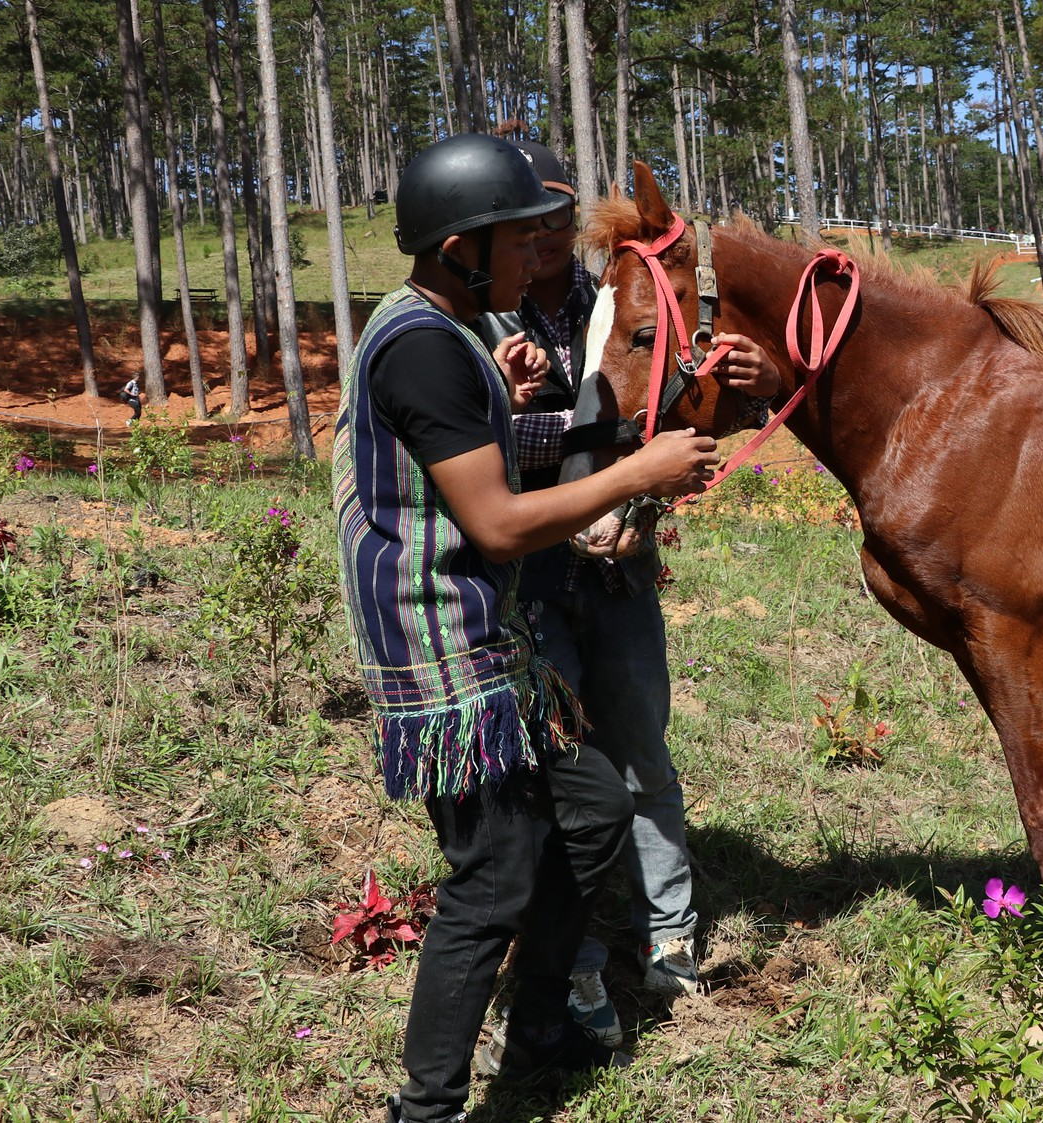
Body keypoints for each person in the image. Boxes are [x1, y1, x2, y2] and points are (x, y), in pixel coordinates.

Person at [331, 132, 721, 1123]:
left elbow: (469, 452)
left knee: (588, 808)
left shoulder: (443, 331)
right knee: (490, 878)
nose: (531, 258)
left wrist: (505, 400)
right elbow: (497, 524)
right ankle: (426, 1109)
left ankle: (540, 1019)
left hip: (484, 640)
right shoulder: (422, 346)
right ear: (461, 245)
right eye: (514, 240)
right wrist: (637, 473)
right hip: (445, 649)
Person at [470, 135, 779, 1052]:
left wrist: (757, 388)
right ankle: (573, 950)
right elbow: (472, 449)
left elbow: (682, 396)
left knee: (641, 743)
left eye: (559, 219)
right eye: (531, 224)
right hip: (534, 566)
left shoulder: (617, 288)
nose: (548, 237)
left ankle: (668, 928)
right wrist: (531, 414)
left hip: (620, 560)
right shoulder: (481, 315)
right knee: (559, 765)